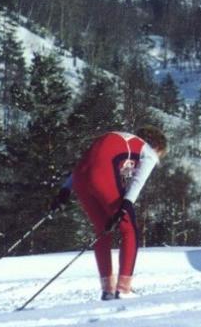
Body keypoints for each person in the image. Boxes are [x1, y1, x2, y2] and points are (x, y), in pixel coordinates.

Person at [50, 125, 167, 300]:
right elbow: (137, 181)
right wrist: (126, 204)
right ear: (157, 147)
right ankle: (123, 289)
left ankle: (108, 290)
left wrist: (65, 190)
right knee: (129, 230)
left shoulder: (120, 139)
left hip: (81, 179)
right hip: (101, 176)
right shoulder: (148, 151)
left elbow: (89, 164)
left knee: (102, 230)